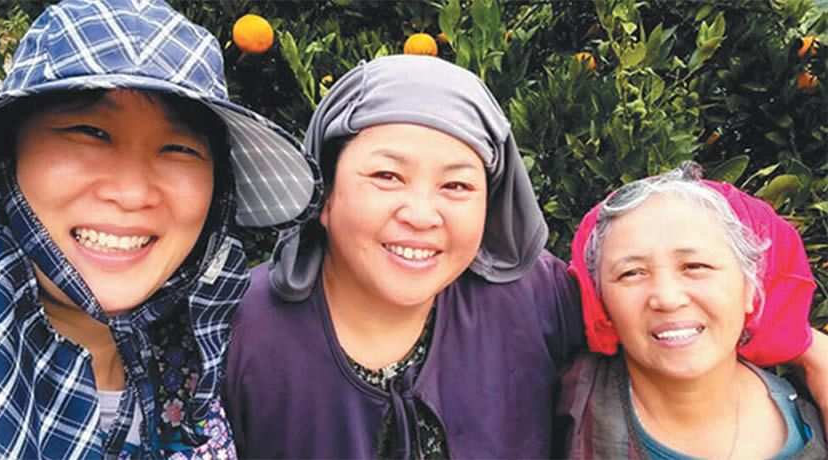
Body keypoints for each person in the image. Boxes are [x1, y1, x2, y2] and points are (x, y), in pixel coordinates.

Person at [221, 55, 828, 458]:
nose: (421, 212)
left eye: (457, 185)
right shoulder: (234, 327)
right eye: (386, 176)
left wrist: (804, 346)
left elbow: (658, 311)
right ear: (324, 193)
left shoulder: (531, 299)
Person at [0, 0, 318, 458]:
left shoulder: (191, 347)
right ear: (6, 156)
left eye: (179, 148)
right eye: (89, 131)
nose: (131, 193)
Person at [560, 162, 826, 458]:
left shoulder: (810, 423)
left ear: (751, 287)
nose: (668, 298)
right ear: (602, 303)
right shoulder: (562, 412)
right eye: (632, 273)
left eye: (695, 266)